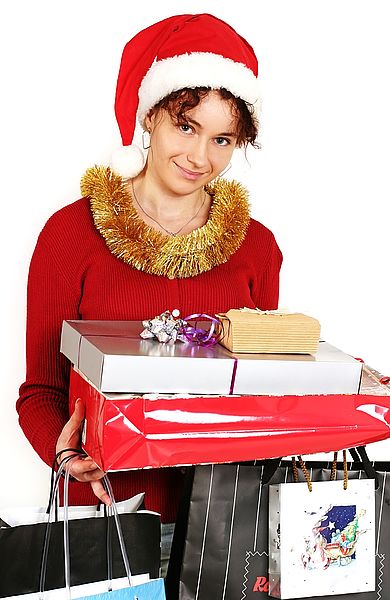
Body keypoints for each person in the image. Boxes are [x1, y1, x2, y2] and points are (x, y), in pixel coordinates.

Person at [16, 12, 282, 573]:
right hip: (104, 520)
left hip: (220, 530)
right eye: (186, 127)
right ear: (149, 117)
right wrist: (66, 457)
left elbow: (257, 395)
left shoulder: (256, 249)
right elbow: (40, 391)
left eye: (222, 139)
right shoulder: (70, 237)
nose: (200, 158)